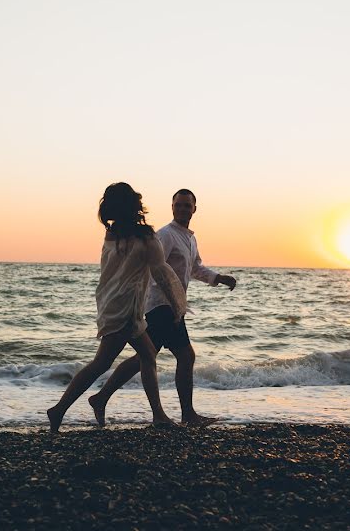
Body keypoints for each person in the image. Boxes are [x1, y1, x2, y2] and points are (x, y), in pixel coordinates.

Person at [88, 189, 237, 426]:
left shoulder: (189, 238)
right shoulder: (166, 235)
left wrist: (218, 278)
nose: (182, 209)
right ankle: (186, 415)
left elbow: (195, 268)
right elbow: (155, 270)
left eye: (187, 206)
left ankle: (102, 397)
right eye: (178, 205)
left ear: (194, 209)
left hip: (172, 305)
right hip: (160, 305)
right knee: (182, 356)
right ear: (172, 207)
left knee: (147, 357)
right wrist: (172, 303)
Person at [47, 182, 187, 432]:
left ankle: (154, 414)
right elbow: (161, 274)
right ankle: (58, 410)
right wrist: (177, 305)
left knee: (147, 354)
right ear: (135, 206)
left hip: (110, 302)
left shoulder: (111, 235)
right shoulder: (145, 238)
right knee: (101, 363)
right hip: (126, 308)